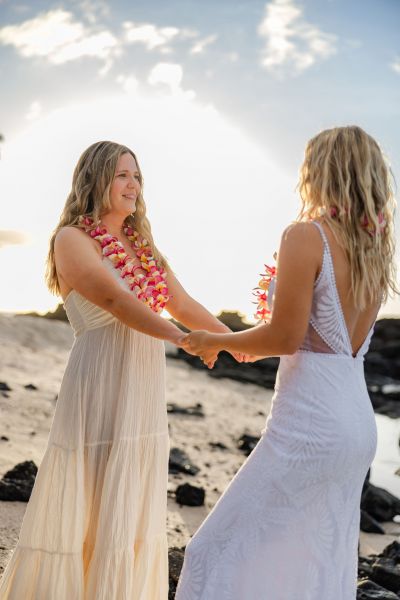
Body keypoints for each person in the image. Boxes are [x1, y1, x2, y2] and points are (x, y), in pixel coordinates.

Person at [0, 140, 247, 600]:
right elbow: (114, 300)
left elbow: (182, 302)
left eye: (137, 177)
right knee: (91, 486)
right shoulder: (71, 238)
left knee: (129, 492)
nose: (133, 185)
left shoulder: (145, 247)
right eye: (122, 175)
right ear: (95, 179)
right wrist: (182, 339)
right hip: (99, 376)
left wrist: (231, 342)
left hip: (143, 382)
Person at [176, 126, 398, 600]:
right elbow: (314, 339)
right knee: (313, 561)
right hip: (356, 426)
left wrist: (216, 341)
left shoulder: (305, 235)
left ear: (322, 171)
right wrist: (240, 342)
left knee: (212, 551)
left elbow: (286, 336)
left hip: (310, 424)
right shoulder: (374, 251)